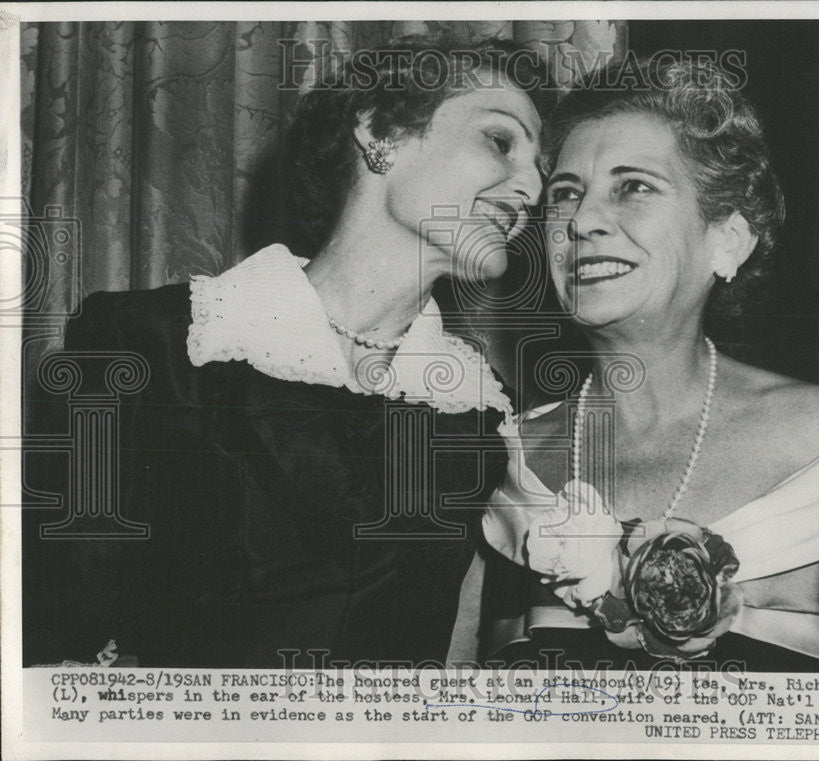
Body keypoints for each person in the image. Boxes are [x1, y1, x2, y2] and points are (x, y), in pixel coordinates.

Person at [23, 36, 549, 668]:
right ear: (380, 130)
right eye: (501, 141)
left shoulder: (478, 402)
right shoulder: (145, 343)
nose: (531, 190)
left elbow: (457, 648)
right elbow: (50, 636)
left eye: (542, 168)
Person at [471, 57, 819, 674]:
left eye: (634, 186)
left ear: (726, 239)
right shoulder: (507, 461)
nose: (583, 221)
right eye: (566, 194)